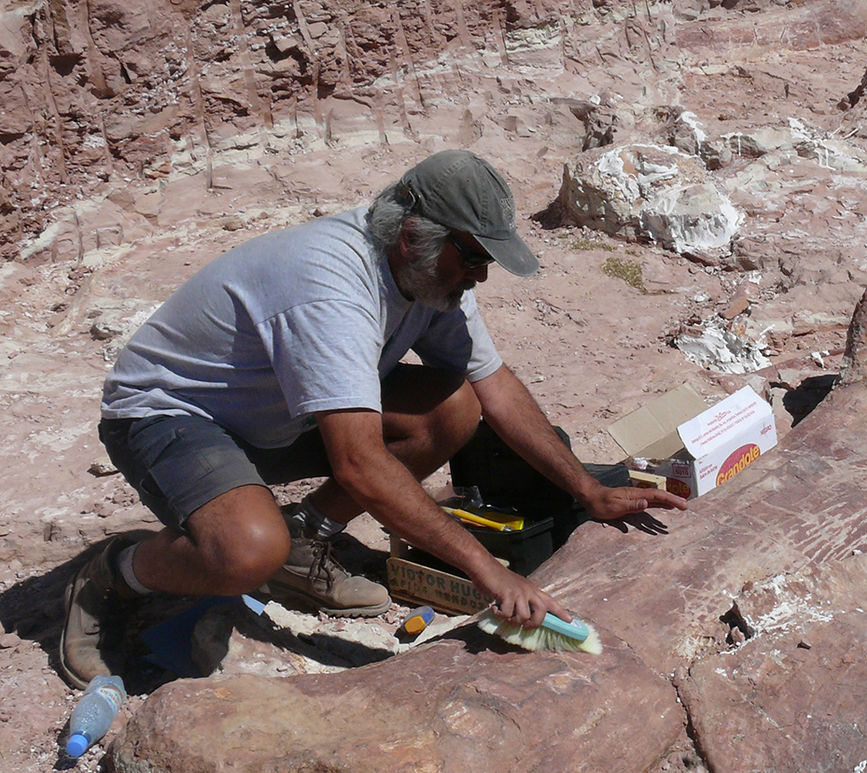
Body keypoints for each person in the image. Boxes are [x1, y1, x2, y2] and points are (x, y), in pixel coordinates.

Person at [60, 149, 687, 688]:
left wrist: (587, 489)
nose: (481, 275)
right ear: (413, 236)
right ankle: (114, 575)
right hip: (172, 413)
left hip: (279, 410)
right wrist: (489, 573)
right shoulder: (332, 287)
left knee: (453, 406)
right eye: (472, 258)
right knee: (246, 551)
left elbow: (493, 386)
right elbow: (360, 465)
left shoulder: (432, 277)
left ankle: (305, 545)